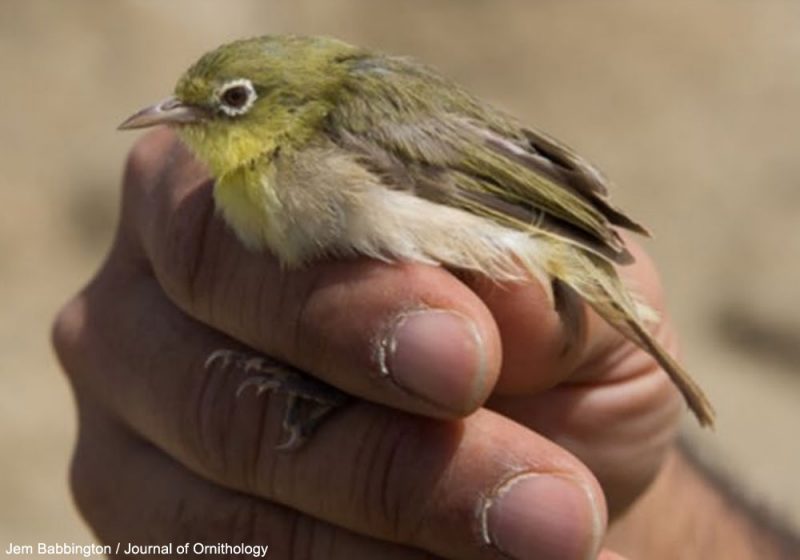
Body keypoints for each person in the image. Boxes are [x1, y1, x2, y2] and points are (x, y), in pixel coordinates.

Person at [52, 129, 794, 559]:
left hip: (517, 237)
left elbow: (480, 178)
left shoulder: (325, 142)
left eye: (233, 103)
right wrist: (641, 504)